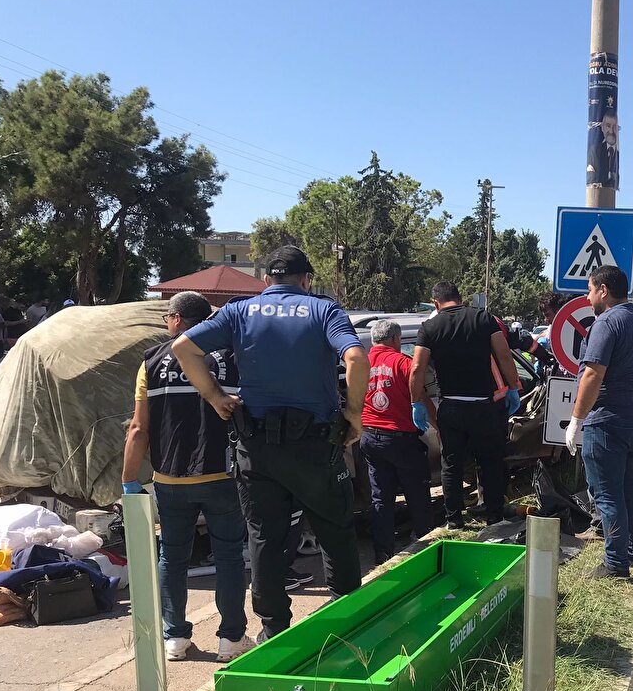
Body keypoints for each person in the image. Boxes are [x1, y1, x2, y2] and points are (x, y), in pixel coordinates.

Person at [172, 246, 369, 642]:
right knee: (335, 531)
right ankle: (347, 621)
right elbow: (357, 359)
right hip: (315, 447)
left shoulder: (238, 311)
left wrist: (214, 396)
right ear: (306, 279)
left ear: (266, 280)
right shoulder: (323, 310)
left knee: (264, 537)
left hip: (256, 447)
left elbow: (183, 347)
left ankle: (273, 629)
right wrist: (353, 412)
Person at [121, 291, 253, 662]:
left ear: (177, 319)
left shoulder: (151, 361)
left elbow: (138, 428)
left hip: (170, 478)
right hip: (223, 474)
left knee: (172, 557)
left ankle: (175, 637)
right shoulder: (230, 357)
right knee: (229, 556)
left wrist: (129, 480)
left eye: (167, 317)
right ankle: (231, 639)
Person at [565, 265, 633, 578]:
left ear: (603, 290)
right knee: (629, 489)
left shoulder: (606, 322)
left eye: (590, 290)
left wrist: (576, 419)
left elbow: (592, 374)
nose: (588, 298)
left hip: (607, 421)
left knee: (607, 494)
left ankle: (616, 563)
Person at [412, 282, 521, 529]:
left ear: (436, 303)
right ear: (460, 298)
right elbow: (504, 355)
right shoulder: (483, 318)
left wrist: (415, 401)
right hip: (484, 406)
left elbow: (417, 368)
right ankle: (494, 517)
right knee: (490, 462)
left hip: (451, 406)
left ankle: (454, 520)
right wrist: (513, 387)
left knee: (451, 465)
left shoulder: (429, 327)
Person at [360, 319, 435, 563]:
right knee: (418, 495)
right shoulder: (404, 363)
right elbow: (422, 397)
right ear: (395, 339)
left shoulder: (361, 364)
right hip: (401, 440)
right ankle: (425, 547)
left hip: (370, 437)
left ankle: (383, 555)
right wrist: (438, 427)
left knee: (381, 497)